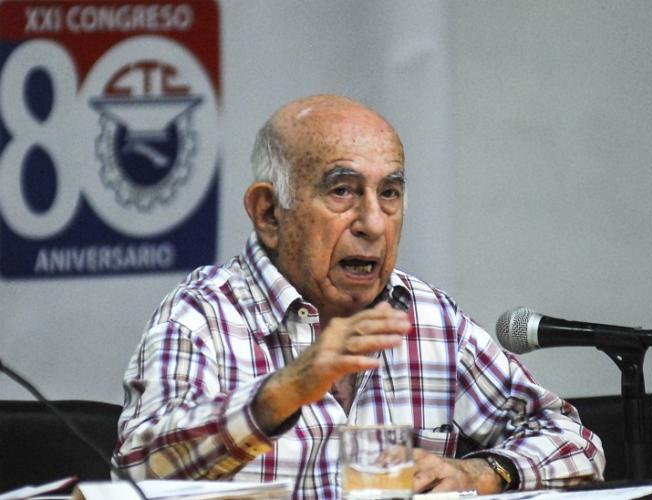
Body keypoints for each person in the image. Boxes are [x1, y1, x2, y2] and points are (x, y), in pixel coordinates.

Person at [113, 94, 605, 497]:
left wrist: (483, 473)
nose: (373, 224)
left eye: (389, 194)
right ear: (268, 213)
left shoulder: (428, 317)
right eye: (343, 191)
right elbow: (138, 472)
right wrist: (285, 390)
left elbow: (574, 441)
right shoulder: (203, 315)